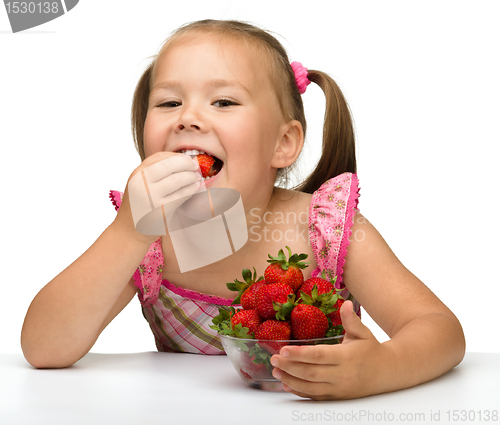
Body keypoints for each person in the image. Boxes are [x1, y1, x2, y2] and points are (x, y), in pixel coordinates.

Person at [21, 19, 465, 400]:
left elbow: (440, 330)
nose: (187, 118)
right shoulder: (147, 242)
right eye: (169, 102)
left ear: (283, 143)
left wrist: (382, 367)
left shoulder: (324, 228)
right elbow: (44, 349)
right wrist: (127, 232)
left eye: (224, 102)